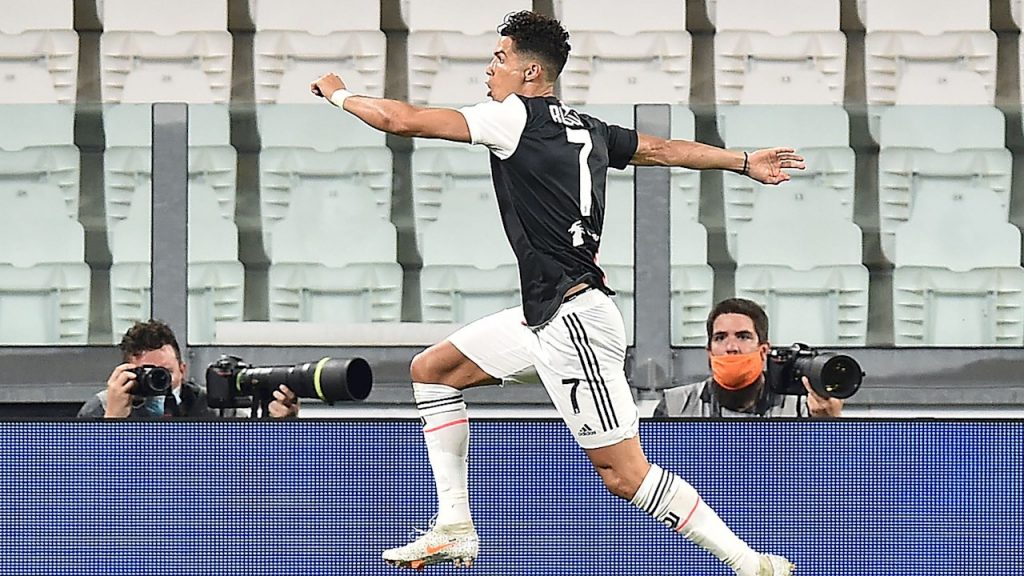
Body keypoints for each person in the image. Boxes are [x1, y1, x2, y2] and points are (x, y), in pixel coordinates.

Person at [311, 10, 803, 575]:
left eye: (499, 58)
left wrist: (340, 94)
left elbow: (402, 120)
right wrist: (742, 161)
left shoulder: (512, 117)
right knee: (434, 370)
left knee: (624, 474)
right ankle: (453, 527)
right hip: (546, 316)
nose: (489, 69)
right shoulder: (589, 129)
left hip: (575, 323)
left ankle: (751, 563)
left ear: (530, 73)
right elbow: (665, 150)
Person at [656, 298, 844, 418]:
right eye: (720, 338)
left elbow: (829, 468)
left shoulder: (801, 407)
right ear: (709, 352)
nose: (731, 347)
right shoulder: (675, 406)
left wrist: (829, 425)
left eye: (743, 337)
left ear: (763, 351)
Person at [77, 320, 300, 419]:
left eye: (165, 372)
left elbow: (253, 464)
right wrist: (113, 420)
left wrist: (282, 426)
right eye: (149, 373)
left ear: (183, 370)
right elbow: (85, 483)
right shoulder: (101, 407)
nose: (159, 382)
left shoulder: (213, 407)